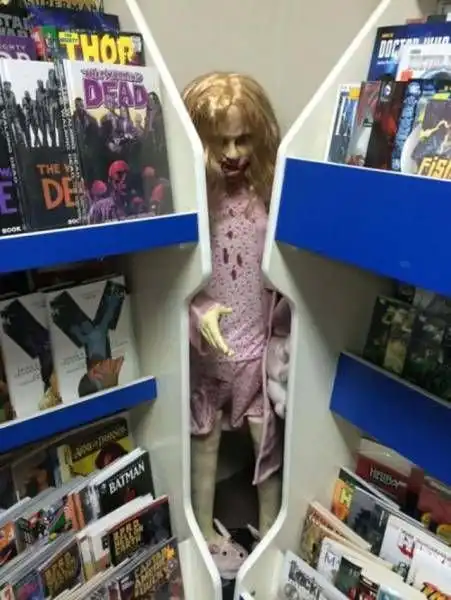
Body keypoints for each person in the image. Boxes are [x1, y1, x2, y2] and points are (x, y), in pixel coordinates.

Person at [183, 72, 284, 579]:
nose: (231, 152)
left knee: (268, 445)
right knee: (203, 444)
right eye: (219, 141)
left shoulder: (268, 194)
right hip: (207, 350)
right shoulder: (192, 199)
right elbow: (174, 277)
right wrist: (198, 310)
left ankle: (271, 534)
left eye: (242, 139)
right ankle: (202, 534)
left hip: (257, 348)